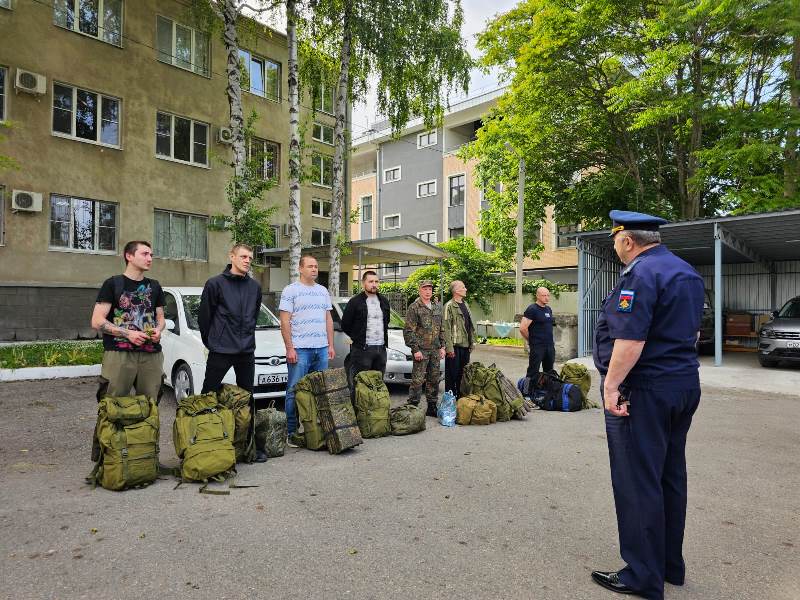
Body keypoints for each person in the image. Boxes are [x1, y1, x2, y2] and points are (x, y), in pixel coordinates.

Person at [591, 210, 705, 600]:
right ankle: (670, 563)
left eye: (616, 242)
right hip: (683, 384)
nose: (617, 249)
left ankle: (642, 574)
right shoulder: (686, 272)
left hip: (645, 390)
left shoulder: (639, 274)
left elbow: (631, 341)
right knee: (670, 476)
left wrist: (610, 387)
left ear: (627, 240)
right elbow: (695, 330)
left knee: (638, 480)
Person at [197, 243, 265, 460]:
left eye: (250, 258)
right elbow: (204, 318)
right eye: (243, 256)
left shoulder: (254, 287)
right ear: (232, 257)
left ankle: (249, 447)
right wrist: (212, 342)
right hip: (221, 349)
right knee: (209, 394)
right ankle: (204, 442)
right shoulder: (215, 284)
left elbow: (253, 316)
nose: (247, 260)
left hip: (246, 350)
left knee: (248, 396)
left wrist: (247, 338)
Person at [91, 240, 166, 403]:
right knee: (112, 405)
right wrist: (128, 333)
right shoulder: (112, 284)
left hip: (151, 354)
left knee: (150, 405)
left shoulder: (155, 286)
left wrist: (159, 330)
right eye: (145, 254)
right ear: (129, 256)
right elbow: (97, 321)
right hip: (119, 353)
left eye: (151, 255)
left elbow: (160, 318)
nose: (150, 258)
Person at [279, 255, 335, 443]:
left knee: (321, 391)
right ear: (300, 269)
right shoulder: (290, 291)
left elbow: (328, 319)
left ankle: (318, 429)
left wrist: (331, 345)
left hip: (321, 349)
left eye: (316, 266)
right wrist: (290, 348)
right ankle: (292, 432)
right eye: (310, 266)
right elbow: (284, 321)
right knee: (294, 390)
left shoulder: (323, 291)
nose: (314, 269)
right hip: (300, 350)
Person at [340, 270, 391, 392]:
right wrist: (357, 338)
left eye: (376, 281)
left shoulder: (383, 301)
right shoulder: (355, 302)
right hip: (362, 350)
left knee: (378, 384)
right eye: (371, 281)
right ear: (364, 283)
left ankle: (376, 410)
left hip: (380, 349)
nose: (374, 284)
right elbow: (345, 324)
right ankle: (360, 410)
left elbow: (386, 321)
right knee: (360, 384)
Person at [403, 280, 445, 415]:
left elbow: (441, 329)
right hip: (421, 350)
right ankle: (413, 406)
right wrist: (415, 350)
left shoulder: (437, 307)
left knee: (434, 379)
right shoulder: (414, 307)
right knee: (417, 380)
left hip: (435, 350)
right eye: (425, 289)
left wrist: (443, 346)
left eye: (429, 289)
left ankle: (432, 406)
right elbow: (408, 331)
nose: (428, 292)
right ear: (419, 290)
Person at [443, 280, 476, 398]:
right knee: (452, 376)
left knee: (463, 376)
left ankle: (461, 403)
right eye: (463, 287)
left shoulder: (465, 304)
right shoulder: (448, 306)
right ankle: (450, 403)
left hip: (465, 347)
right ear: (456, 290)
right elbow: (445, 329)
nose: (465, 289)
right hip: (454, 348)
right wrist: (449, 348)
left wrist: (472, 342)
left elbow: (469, 326)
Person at [520, 287, 555, 379]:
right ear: (537, 296)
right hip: (537, 346)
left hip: (549, 346)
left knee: (549, 371)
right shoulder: (532, 309)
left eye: (548, 295)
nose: (547, 298)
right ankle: (527, 391)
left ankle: (546, 391)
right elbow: (523, 328)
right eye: (544, 295)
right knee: (533, 370)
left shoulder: (548, 309)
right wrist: (531, 340)